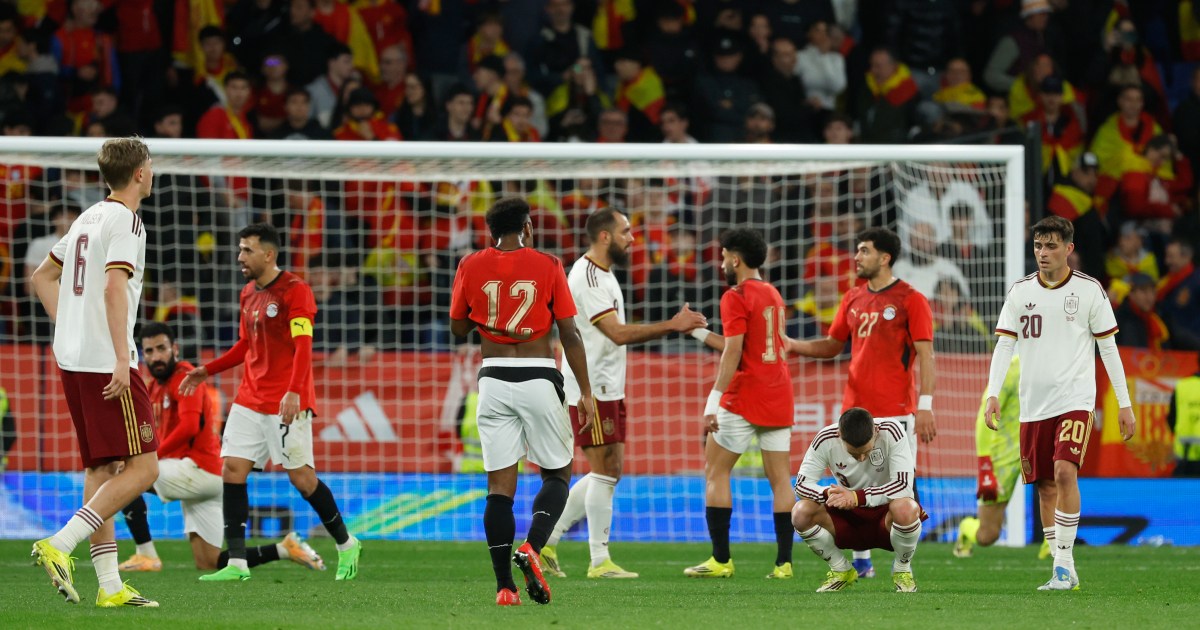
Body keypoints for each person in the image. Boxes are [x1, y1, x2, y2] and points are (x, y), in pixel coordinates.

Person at [180, 223, 362, 582]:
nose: (240, 257)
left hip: (285, 400)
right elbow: (244, 346)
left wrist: (294, 391)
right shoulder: (248, 293)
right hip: (249, 397)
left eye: (247, 250)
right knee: (232, 469)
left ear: (269, 254)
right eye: (239, 249)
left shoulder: (296, 291)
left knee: (302, 479)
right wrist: (206, 370)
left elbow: (303, 347)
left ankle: (346, 543)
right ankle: (236, 563)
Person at [29, 137, 160, 607]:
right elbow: (112, 288)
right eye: (150, 165)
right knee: (145, 467)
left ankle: (109, 586)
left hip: (72, 357)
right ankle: (60, 543)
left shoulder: (87, 217)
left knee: (102, 467)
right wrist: (123, 358)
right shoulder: (126, 220)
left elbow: (41, 277)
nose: (152, 171)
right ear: (140, 173)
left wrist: (71, 326)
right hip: (107, 360)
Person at [540, 209, 706, 579]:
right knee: (604, 471)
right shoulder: (586, 277)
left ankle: (546, 542)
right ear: (605, 236)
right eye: (626, 231)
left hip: (607, 385)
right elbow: (616, 333)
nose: (632, 238)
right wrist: (673, 325)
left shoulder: (605, 273)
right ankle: (599, 561)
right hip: (590, 388)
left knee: (610, 471)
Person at [448, 197, 595, 606]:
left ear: (490, 231)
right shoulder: (548, 265)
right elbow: (569, 332)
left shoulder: (470, 264)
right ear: (527, 227)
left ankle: (504, 588)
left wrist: (486, 317)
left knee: (499, 488)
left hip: (493, 379)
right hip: (538, 375)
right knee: (557, 473)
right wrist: (585, 392)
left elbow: (457, 327)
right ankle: (532, 546)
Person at [983, 215, 1136, 591]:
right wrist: (992, 393)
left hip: (1075, 400)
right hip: (1033, 406)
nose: (1043, 252)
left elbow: (1108, 348)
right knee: (1045, 486)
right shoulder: (1020, 291)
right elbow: (1005, 345)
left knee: (1065, 471)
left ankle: (1064, 566)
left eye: (1051, 246)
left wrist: (1125, 403)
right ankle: (1060, 567)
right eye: (1038, 245)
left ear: (1069, 249)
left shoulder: (1089, 290)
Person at [787, 226, 936, 579]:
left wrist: (925, 404)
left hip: (896, 412)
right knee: (851, 480)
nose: (856, 257)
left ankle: (903, 563)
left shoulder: (911, 299)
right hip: (855, 410)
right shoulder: (852, 297)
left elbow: (925, 354)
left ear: (885, 258)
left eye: (864, 250)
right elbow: (832, 345)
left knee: (901, 486)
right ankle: (862, 561)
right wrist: (792, 345)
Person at [118, 322, 326, 574]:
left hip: (198, 469)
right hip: (201, 480)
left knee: (126, 476)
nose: (156, 357)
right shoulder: (153, 387)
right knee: (209, 561)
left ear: (175, 349)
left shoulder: (185, 378)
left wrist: (150, 457)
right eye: (149, 351)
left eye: (161, 348)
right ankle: (285, 548)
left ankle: (145, 554)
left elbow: (189, 427)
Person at [683, 228, 796, 580]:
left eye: (723, 258)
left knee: (716, 472)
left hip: (744, 396)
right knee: (781, 480)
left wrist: (713, 400)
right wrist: (698, 332)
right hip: (779, 394)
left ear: (735, 259)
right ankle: (784, 564)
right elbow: (746, 345)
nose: (721, 265)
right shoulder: (773, 294)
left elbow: (734, 351)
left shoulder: (736, 295)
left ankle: (721, 560)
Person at [792, 407, 924, 592]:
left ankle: (902, 570)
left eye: (867, 451)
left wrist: (856, 497)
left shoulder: (891, 431)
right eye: (854, 454)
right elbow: (801, 485)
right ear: (839, 435)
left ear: (876, 432)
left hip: (885, 515)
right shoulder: (825, 438)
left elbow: (903, 486)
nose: (861, 458)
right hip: (848, 515)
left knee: (906, 508)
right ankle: (841, 569)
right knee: (800, 512)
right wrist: (829, 494)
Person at [954, 356, 1053, 560]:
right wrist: (985, 466)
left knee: (1054, 486)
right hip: (1004, 454)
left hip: (1037, 447)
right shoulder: (1010, 368)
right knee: (988, 535)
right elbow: (984, 416)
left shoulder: (1053, 362)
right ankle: (966, 527)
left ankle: (1054, 550)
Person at [1167, 370, 1200, 477]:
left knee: (1184, 486)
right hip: (1185, 455)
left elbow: (1171, 417)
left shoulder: (1182, 386)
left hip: (1185, 453)